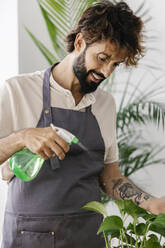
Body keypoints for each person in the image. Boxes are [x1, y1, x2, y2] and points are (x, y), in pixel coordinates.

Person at [1, 1, 165, 247]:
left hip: (89, 235)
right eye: (102, 58)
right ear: (79, 43)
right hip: (30, 237)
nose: (107, 72)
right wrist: (22, 137)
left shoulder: (105, 104)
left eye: (115, 64)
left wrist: (149, 202)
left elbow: (109, 176)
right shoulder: (18, 90)